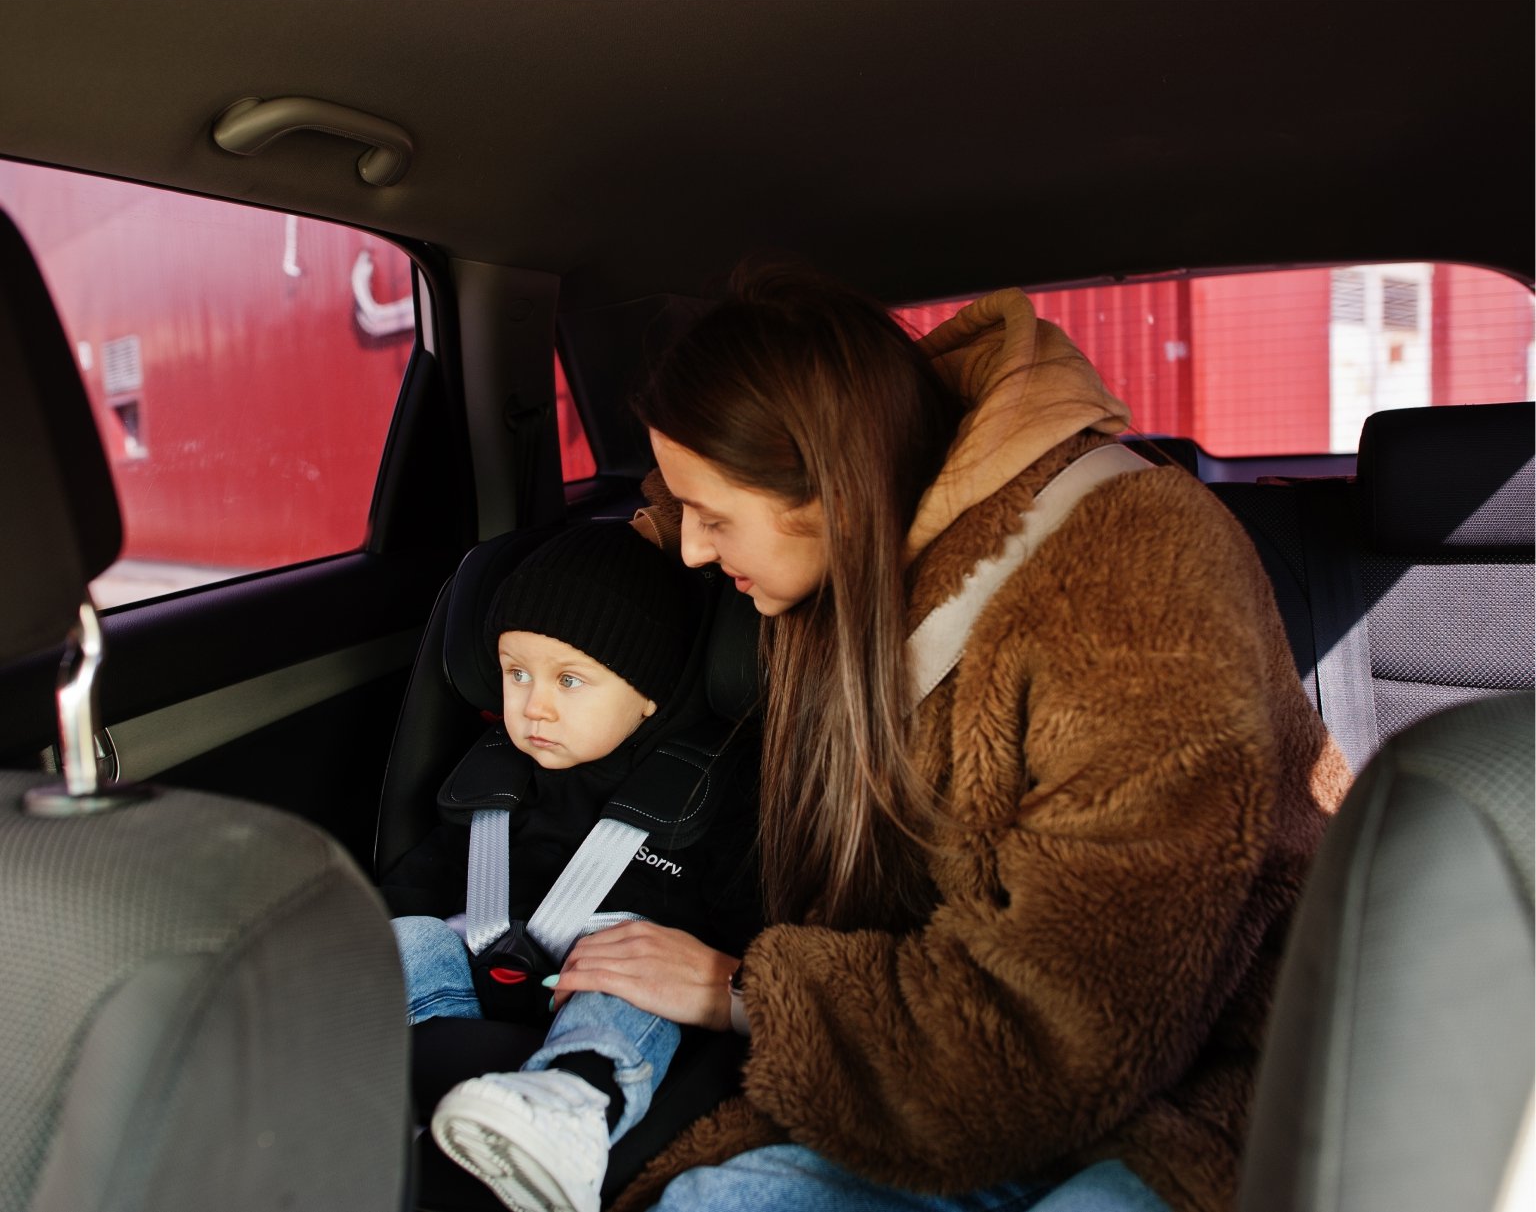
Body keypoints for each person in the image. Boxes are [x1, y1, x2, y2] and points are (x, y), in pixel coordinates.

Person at [536, 269, 1351, 1212]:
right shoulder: (857, 546)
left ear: (834, 486)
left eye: (715, 519)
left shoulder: (1132, 584)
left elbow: (1067, 1034)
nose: (693, 551)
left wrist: (744, 991)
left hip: (1206, 1091)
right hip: (955, 1075)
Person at [386, 520, 761, 1212]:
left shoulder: (709, 792)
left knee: (627, 985)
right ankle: (350, 1059)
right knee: (401, 934)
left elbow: (745, 926)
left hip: (608, 986)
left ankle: (568, 1106)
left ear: (647, 692)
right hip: (466, 985)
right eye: (516, 672)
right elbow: (426, 873)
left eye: (569, 679)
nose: (535, 705)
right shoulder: (495, 775)